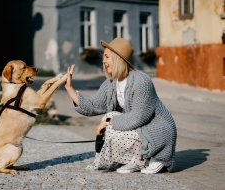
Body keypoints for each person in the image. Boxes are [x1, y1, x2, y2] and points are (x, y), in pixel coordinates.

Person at [64, 38, 177, 174]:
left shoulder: (142, 81)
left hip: (157, 132)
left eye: (107, 57)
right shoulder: (112, 83)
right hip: (140, 129)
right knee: (109, 117)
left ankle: (153, 158)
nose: (103, 61)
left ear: (117, 59)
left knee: (109, 122)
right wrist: (69, 88)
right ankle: (136, 159)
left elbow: (138, 117)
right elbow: (93, 105)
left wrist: (108, 123)